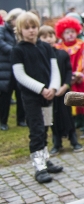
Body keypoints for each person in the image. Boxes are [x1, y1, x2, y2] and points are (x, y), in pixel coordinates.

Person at [10, 12, 63, 183]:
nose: (31, 31)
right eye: (27, 28)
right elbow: (20, 75)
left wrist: (53, 88)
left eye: (34, 27)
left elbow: (55, 70)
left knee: (46, 127)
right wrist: (41, 89)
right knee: (36, 130)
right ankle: (39, 167)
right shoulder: (17, 50)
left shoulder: (46, 47)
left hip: (48, 96)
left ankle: (45, 160)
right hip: (31, 98)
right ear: (20, 30)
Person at [38, 26, 83, 154]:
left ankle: (73, 139)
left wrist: (65, 86)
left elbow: (69, 71)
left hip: (63, 92)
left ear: (55, 37)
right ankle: (56, 142)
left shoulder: (62, 54)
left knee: (67, 115)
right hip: (47, 94)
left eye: (50, 36)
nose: (48, 39)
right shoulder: (40, 57)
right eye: (44, 37)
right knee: (50, 118)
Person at [54, 17, 84, 137]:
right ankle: (74, 124)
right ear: (62, 34)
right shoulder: (58, 47)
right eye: (67, 32)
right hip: (66, 78)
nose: (70, 35)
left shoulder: (82, 45)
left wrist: (77, 74)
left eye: (72, 32)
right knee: (70, 103)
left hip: (81, 77)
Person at [0, 8, 26, 131]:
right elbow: (1, 44)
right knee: (5, 97)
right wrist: (15, 52)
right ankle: (2, 121)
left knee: (20, 95)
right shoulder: (2, 30)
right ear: (12, 19)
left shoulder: (20, 32)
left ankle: (21, 119)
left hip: (19, 68)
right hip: (5, 69)